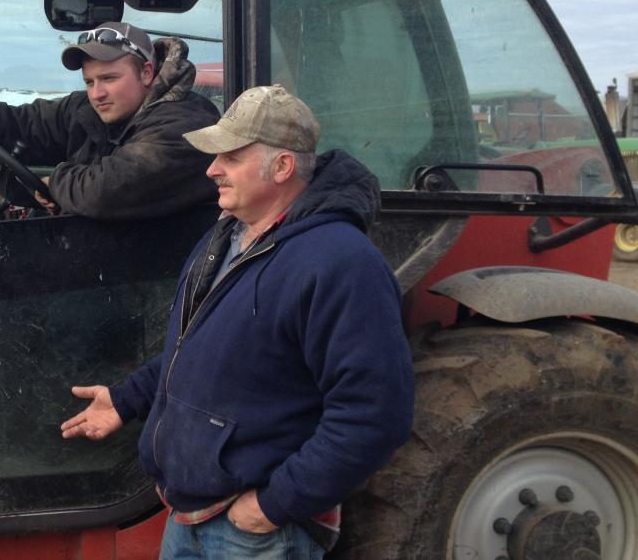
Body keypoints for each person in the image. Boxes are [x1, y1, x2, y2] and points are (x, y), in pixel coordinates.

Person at [60, 85, 414, 559]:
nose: (211, 170)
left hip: (256, 532)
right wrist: (128, 399)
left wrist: (274, 504)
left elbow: (374, 413)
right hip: (190, 518)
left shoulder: (340, 263)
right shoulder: (227, 238)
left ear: (282, 166)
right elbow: (204, 346)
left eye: (230, 157)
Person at [0, 21, 219, 219]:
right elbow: (24, 123)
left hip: (153, 276)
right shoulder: (90, 113)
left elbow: (115, 186)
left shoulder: (185, 124)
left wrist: (56, 184)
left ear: (147, 73)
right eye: (90, 82)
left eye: (109, 78)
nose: (97, 93)